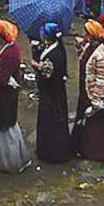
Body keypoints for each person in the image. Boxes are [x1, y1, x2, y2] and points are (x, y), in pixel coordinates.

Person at [0, 19, 32, 173]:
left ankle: (9, 160)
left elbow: (1, 78)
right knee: (6, 126)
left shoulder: (10, 53)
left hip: (3, 96)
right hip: (4, 95)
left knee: (5, 128)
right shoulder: (10, 49)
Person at [71, 20, 104, 161]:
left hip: (95, 95)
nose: (85, 36)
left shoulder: (102, 55)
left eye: (87, 33)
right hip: (86, 91)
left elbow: (101, 80)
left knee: (94, 126)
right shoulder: (90, 47)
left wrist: (95, 100)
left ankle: (93, 152)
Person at [32, 23, 73, 163]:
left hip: (52, 93)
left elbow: (47, 73)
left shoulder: (55, 53)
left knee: (52, 121)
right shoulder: (53, 47)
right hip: (51, 92)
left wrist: (37, 66)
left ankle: (53, 152)